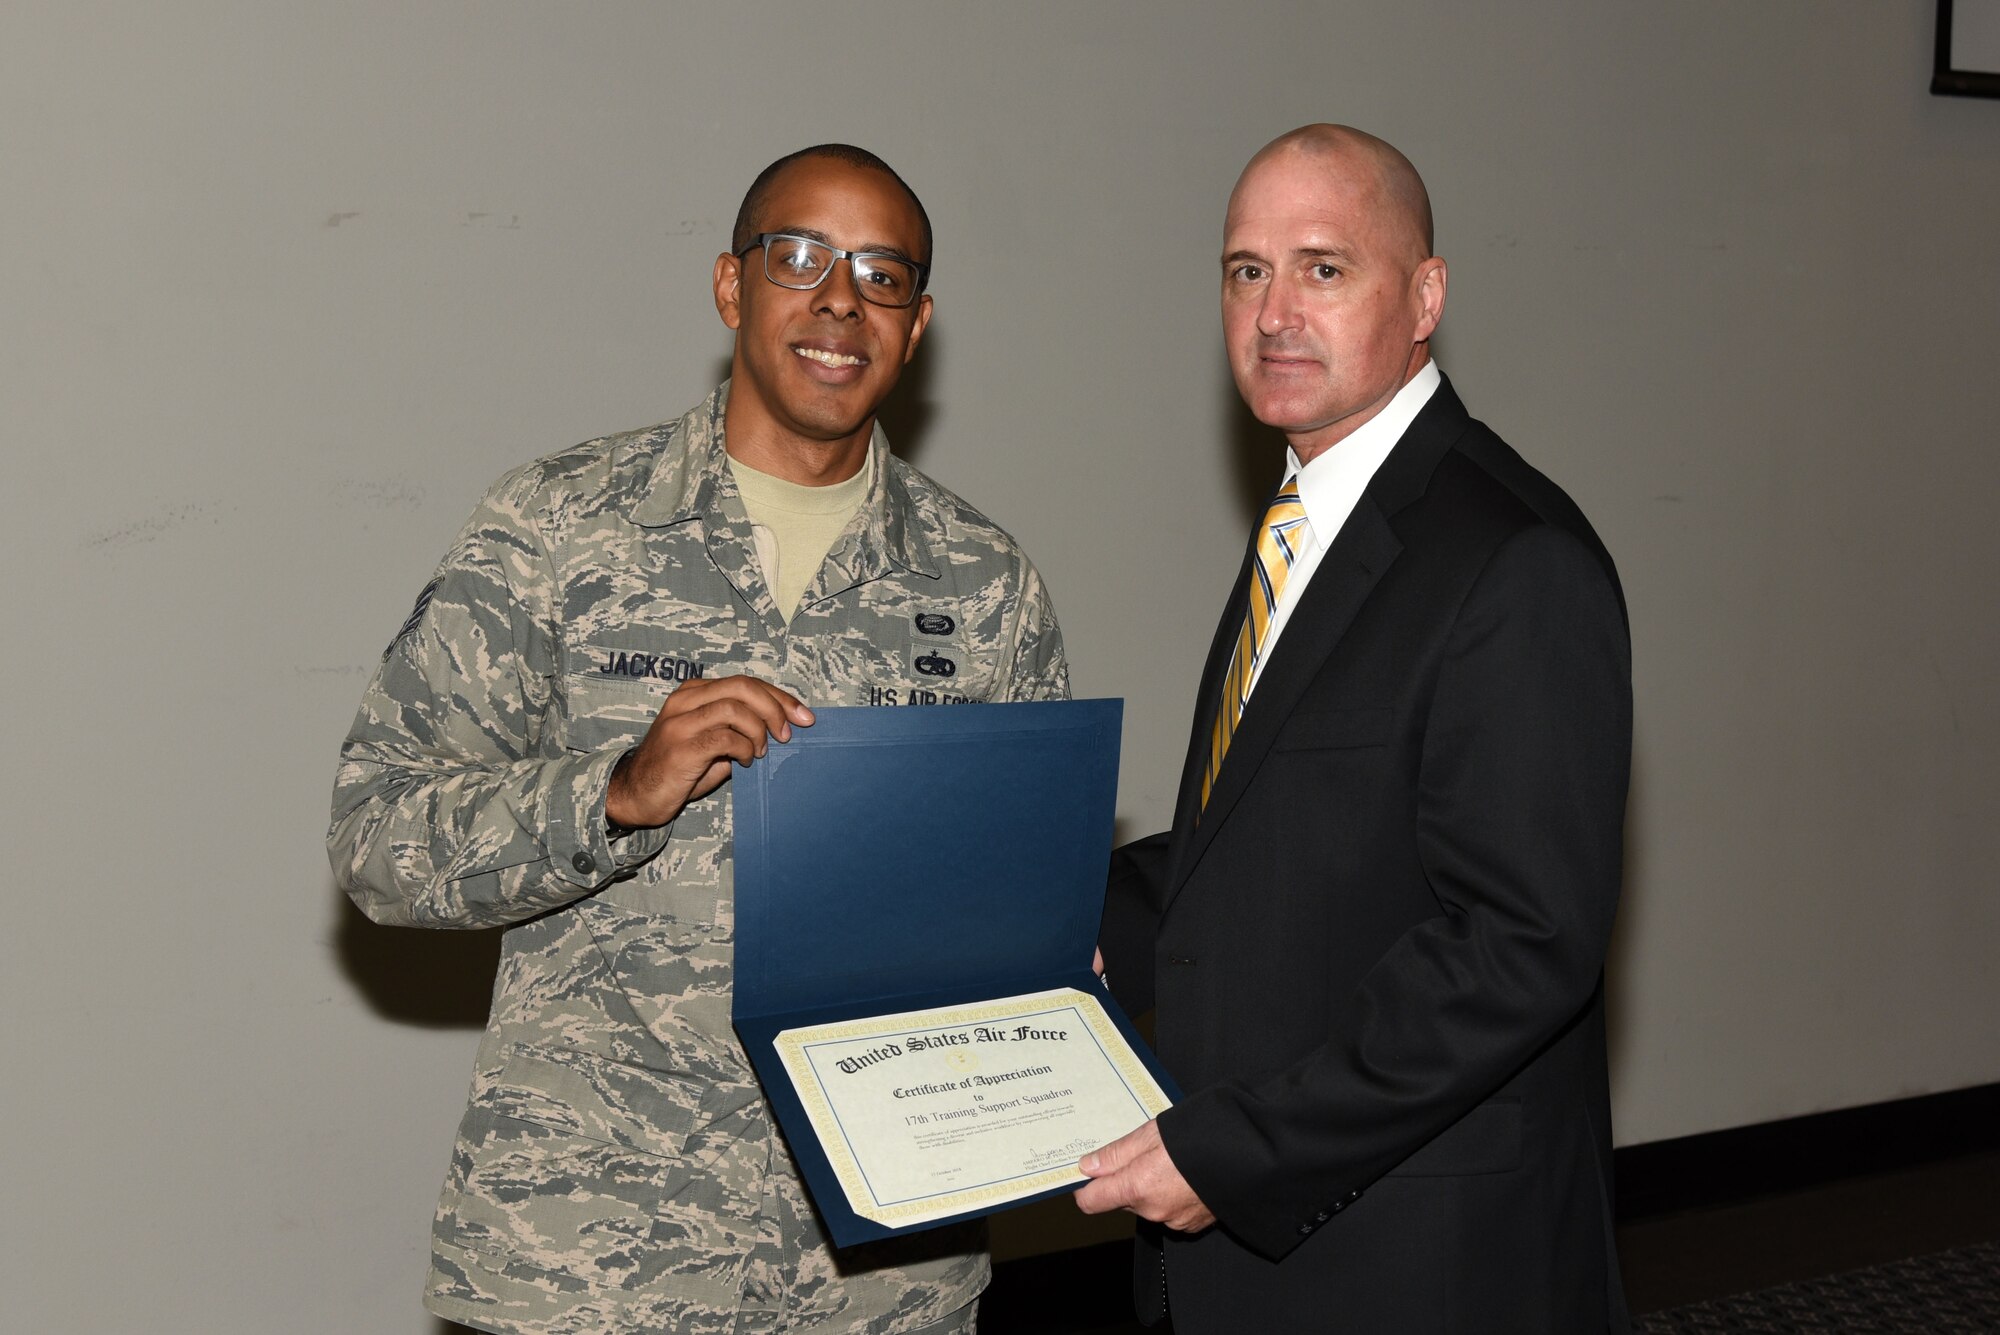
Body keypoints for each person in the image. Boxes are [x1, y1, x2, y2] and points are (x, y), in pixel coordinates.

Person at [328, 144, 1069, 1335]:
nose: (839, 299)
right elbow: (375, 841)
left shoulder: (985, 585)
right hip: (586, 1265)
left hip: (879, 1286)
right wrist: (615, 793)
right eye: (800, 257)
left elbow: (1018, 920)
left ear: (916, 325)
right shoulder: (558, 528)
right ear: (732, 287)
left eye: (881, 274)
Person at [1078, 124, 1633, 1333]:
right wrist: (1062, 906)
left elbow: (1518, 944)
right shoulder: (1310, 516)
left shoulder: (1512, 557)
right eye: (1245, 270)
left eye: (1322, 268)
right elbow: (1286, 840)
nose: (1274, 311)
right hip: (1272, 1257)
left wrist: (1238, 1150)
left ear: (1423, 295)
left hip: (1413, 1261)